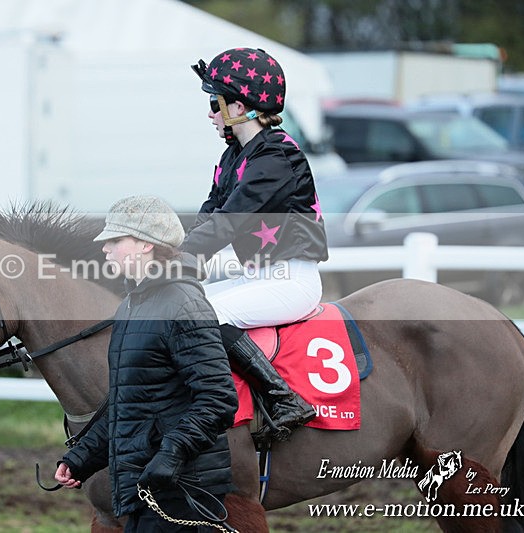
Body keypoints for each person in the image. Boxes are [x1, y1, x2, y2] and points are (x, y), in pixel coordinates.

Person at [54, 195, 238, 532]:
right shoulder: (130, 307)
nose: (105, 249)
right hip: (146, 486)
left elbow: (218, 398)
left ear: (145, 245)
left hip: (182, 489)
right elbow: (128, 404)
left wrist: (171, 455)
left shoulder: (184, 304)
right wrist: (82, 458)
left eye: (115, 240)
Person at [185, 47, 329, 439]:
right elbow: (209, 215)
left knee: (201, 316)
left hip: (291, 282)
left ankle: (285, 399)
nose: (211, 114)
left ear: (239, 106)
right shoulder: (234, 156)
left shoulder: (275, 157)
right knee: (182, 306)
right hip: (260, 277)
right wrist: (174, 258)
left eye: (214, 103)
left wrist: (181, 259)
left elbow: (229, 222)